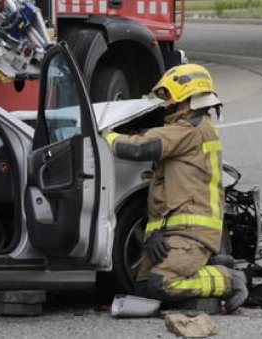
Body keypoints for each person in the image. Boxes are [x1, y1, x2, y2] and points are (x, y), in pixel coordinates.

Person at [102, 64, 248, 313]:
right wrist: (153, 236)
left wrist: (106, 135)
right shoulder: (187, 130)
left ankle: (229, 279)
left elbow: (139, 148)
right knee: (144, 288)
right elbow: (164, 195)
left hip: (192, 232)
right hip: (175, 231)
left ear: (186, 98)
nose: (166, 103)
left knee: (162, 284)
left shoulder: (191, 131)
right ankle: (207, 263)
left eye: (170, 96)